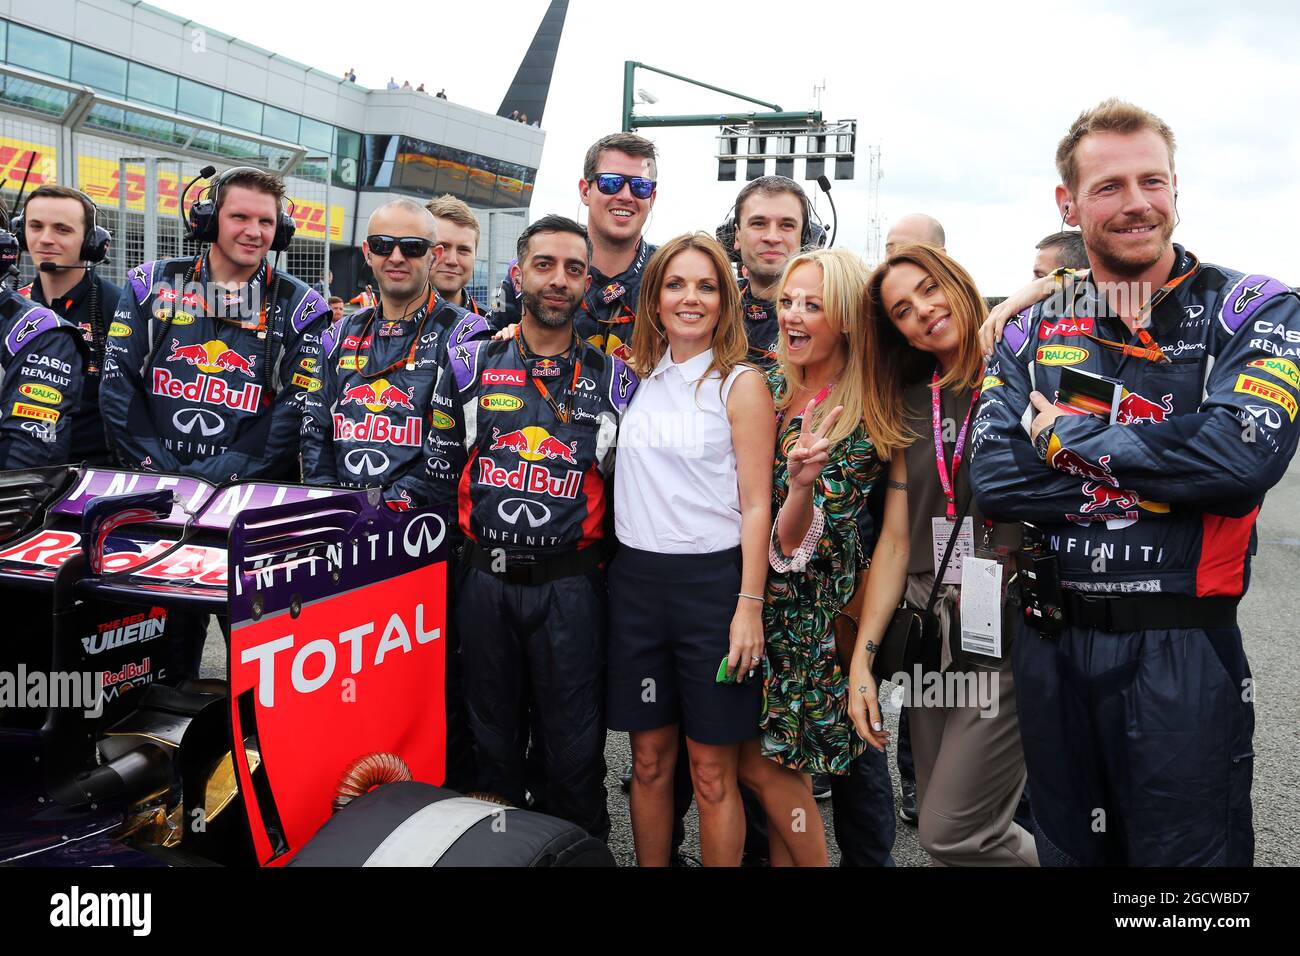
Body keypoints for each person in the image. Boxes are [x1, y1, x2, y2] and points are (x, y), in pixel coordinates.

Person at [970, 98, 1300, 866]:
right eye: (1110, 185)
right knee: (1070, 855)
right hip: (1053, 645)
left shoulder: (1252, 306)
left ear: (1176, 189)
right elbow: (995, 478)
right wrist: (1164, 476)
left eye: (1152, 181)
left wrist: (1061, 437)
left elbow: (1241, 463)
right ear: (1070, 203)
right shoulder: (1031, 325)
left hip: (1182, 650)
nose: (1137, 203)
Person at [422, 215, 636, 839]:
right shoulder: (467, 366)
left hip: (571, 590)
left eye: (574, 269)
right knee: (490, 754)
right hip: (483, 584)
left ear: (589, 284)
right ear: (518, 273)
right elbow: (439, 480)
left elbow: (629, 494)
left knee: (572, 758)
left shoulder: (615, 377)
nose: (558, 280)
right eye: (545, 264)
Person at [848, 243, 1038, 866]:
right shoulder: (908, 398)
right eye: (903, 309)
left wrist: (1021, 300)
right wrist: (863, 662)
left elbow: (1098, 283)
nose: (923, 311)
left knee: (955, 833)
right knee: (938, 823)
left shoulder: (1025, 362)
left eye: (930, 288)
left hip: (1010, 616)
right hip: (932, 624)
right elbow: (897, 542)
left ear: (957, 279)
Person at [728, 175, 898, 862]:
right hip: (743, 604)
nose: (793, 315)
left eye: (813, 305)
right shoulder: (760, 383)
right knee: (757, 773)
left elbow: (801, 542)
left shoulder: (867, 413)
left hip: (811, 623)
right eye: (788, 302)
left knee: (779, 774)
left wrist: (801, 483)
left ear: (850, 318)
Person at [608, 233, 774, 866]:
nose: (690, 298)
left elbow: (758, 503)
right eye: (675, 284)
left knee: (711, 771)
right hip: (636, 588)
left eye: (706, 286)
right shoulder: (629, 382)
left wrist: (748, 605)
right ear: (654, 300)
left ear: (724, 302)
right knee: (648, 763)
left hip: (714, 593)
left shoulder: (741, 384)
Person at [100, 166, 330, 483]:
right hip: (148, 481)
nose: (254, 231)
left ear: (280, 231)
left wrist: (209, 480)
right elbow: (117, 386)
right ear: (209, 221)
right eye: (240, 217)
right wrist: (158, 472)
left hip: (243, 496)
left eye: (265, 221)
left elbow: (293, 409)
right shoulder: (150, 283)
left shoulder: (302, 307)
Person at [301, 199, 468, 507]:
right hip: (339, 521)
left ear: (435, 255)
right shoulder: (338, 335)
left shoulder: (466, 334)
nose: (396, 257)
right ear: (367, 252)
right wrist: (330, 505)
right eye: (382, 245)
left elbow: (450, 451)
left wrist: (380, 510)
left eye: (413, 247)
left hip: (421, 531)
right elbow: (315, 434)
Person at [14, 184, 120, 465]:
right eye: (35, 226)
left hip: (95, 474)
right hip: (19, 469)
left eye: (62, 229)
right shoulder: (10, 308)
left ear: (91, 242)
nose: (45, 239)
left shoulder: (120, 307)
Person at [573, 132, 658, 361]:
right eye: (611, 183)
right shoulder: (542, 265)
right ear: (585, 191)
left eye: (640, 187)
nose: (625, 196)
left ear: (652, 198)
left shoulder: (669, 274)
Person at [425, 194, 486, 314]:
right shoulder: (383, 323)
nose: (452, 261)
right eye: (442, 247)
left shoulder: (491, 326)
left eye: (463, 250)